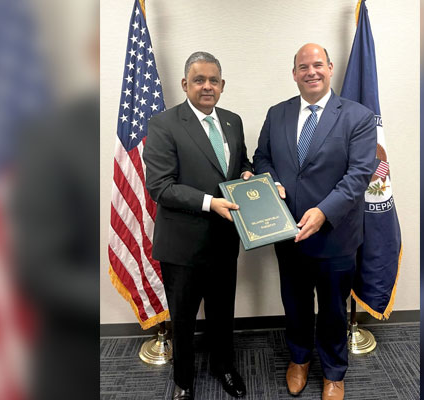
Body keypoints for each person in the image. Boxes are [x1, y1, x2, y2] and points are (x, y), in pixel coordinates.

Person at [253, 43, 377, 400]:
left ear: (330, 68)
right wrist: (269, 181)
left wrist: (324, 212)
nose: (311, 72)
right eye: (303, 66)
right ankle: (299, 358)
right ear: (294, 74)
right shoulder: (277, 113)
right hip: (286, 232)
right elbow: (263, 157)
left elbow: (359, 175)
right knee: (295, 303)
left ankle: (335, 372)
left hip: (335, 236)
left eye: (317, 65)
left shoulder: (358, 117)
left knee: (335, 310)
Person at [143, 51, 252, 400]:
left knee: (223, 314)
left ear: (222, 85)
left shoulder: (233, 121)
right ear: (184, 84)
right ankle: (184, 380)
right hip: (182, 244)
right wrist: (209, 203)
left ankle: (224, 366)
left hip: (225, 241)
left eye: (213, 80)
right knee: (185, 319)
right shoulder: (164, 124)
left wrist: (248, 175)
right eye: (199, 80)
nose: (207, 86)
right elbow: (160, 186)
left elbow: (240, 164)